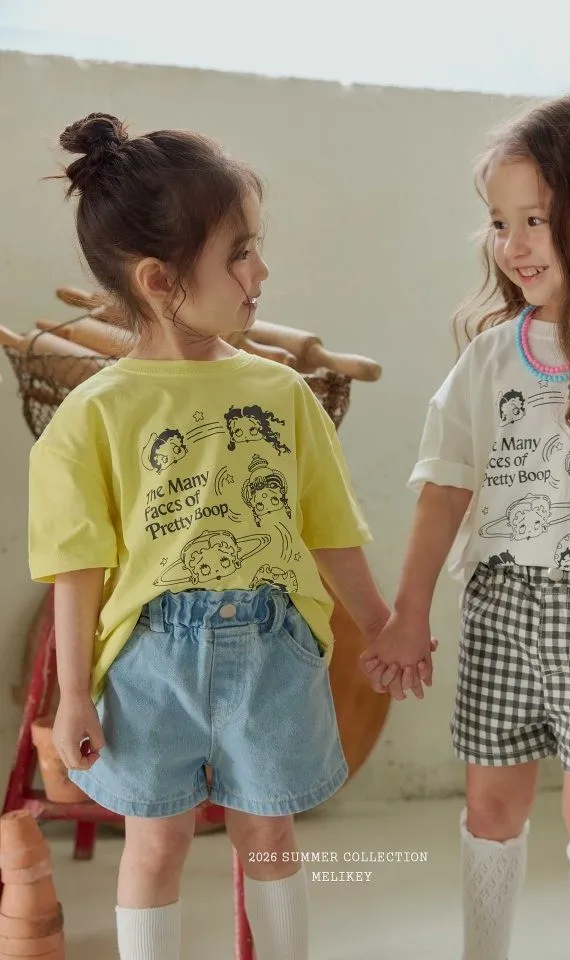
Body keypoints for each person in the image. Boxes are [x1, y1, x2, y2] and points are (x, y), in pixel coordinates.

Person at [28, 113, 390, 960]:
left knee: (271, 835)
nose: (260, 271)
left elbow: (330, 527)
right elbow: (77, 568)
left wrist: (380, 623)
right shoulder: (93, 414)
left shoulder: (282, 393)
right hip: (149, 664)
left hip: (273, 652)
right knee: (157, 842)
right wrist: (74, 694)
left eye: (256, 248)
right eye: (239, 253)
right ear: (159, 279)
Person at [361, 91, 570, 959]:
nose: (512, 245)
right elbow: (444, 488)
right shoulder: (490, 357)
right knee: (489, 809)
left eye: (535, 220)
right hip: (501, 610)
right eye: (498, 223)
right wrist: (408, 613)